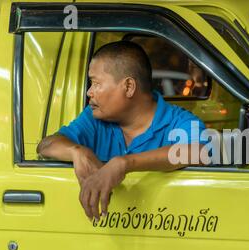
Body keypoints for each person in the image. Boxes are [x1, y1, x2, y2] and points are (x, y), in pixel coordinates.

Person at [37, 41, 207, 223]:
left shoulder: (179, 121)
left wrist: (123, 164)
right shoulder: (95, 119)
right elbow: (45, 145)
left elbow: (198, 151)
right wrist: (77, 151)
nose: (89, 92)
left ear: (128, 87)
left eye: (96, 83)